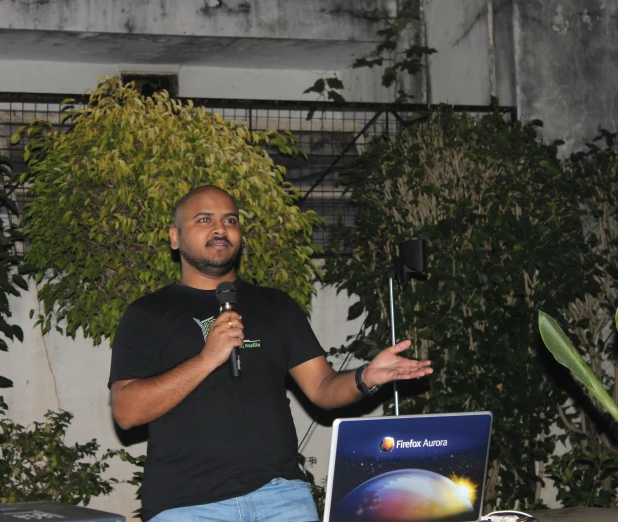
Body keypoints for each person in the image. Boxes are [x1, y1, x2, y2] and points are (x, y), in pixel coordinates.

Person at [109, 185, 433, 522]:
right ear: (174, 237)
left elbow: (322, 388)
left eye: (230, 220)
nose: (220, 229)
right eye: (204, 219)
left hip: (282, 497)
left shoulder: (276, 305)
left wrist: (366, 376)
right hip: (187, 505)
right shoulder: (148, 313)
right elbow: (127, 411)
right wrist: (207, 358)